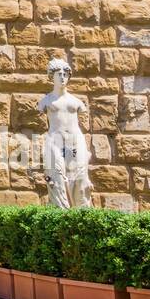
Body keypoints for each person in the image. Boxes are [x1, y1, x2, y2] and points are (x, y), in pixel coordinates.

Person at [37, 58, 94, 208]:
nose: (62, 77)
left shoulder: (76, 101)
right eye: (59, 74)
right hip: (55, 140)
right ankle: (60, 213)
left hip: (75, 140)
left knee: (79, 177)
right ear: (52, 76)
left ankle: (81, 214)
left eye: (65, 74)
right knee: (56, 177)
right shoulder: (46, 101)